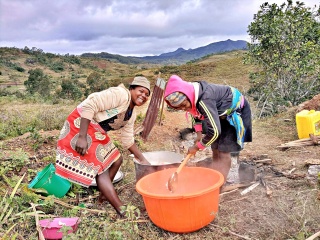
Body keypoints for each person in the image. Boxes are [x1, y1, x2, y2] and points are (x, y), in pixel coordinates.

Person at [55, 76, 151, 216]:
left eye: (147, 94)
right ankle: (122, 211)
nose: (143, 96)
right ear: (131, 89)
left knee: (117, 160)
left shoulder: (132, 114)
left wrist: (143, 160)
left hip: (96, 131)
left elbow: (127, 140)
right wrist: (82, 137)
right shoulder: (120, 95)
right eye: (141, 91)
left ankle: (103, 196)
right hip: (81, 125)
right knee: (102, 168)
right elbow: (90, 104)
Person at [164, 75, 252, 183]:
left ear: (187, 96)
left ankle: (220, 184)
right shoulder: (192, 97)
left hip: (234, 111)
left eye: (184, 105)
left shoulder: (204, 99)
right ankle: (216, 175)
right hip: (219, 113)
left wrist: (197, 146)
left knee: (224, 150)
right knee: (215, 147)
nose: (184, 109)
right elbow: (194, 114)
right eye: (179, 108)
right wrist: (199, 135)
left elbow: (215, 132)